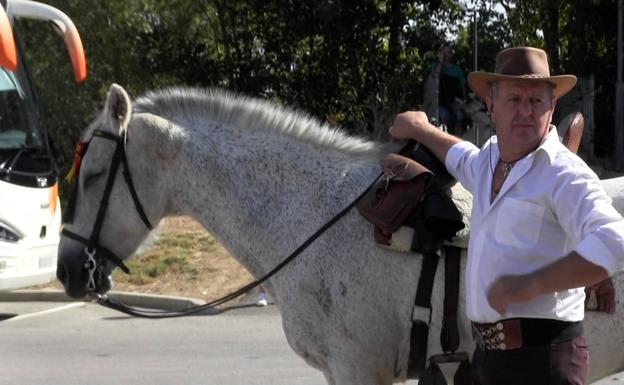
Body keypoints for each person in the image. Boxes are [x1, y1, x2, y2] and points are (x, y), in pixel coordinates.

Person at [389, 46, 624, 385]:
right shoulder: (488, 161)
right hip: (490, 360)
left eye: (536, 101)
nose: (525, 111)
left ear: (552, 106)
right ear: (491, 105)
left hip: (545, 362)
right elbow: (458, 154)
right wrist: (420, 128)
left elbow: (613, 239)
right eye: (514, 100)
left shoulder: (564, 173)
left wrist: (531, 284)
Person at [432, 46, 467, 135]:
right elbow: (435, 75)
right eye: (443, 53)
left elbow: (462, 85)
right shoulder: (436, 66)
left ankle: (458, 140)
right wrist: (440, 62)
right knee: (444, 119)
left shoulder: (457, 70)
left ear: (451, 55)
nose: (445, 55)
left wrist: (464, 98)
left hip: (455, 100)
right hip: (441, 101)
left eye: (447, 53)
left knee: (459, 118)